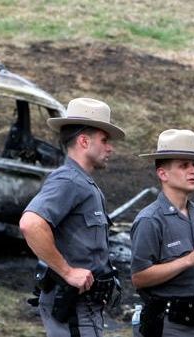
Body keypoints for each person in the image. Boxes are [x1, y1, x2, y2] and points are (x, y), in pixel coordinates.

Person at [19, 97, 125, 337]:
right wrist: (67, 272)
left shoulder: (84, 184)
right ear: (84, 141)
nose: (110, 148)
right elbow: (31, 223)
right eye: (105, 140)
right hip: (73, 308)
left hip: (85, 308)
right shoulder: (68, 180)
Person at [129, 129, 194, 337]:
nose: (193, 171)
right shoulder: (150, 220)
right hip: (169, 326)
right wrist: (187, 260)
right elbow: (139, 277)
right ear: (163, 174)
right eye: (184, 165)